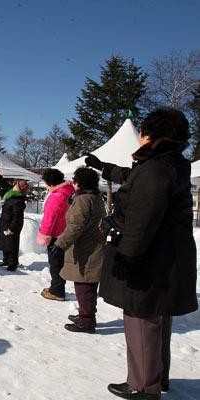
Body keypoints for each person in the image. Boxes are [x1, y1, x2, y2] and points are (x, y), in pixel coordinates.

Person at [85, 108, 198, 399]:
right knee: (158, 316)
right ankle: (156, 378)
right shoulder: (171, 164)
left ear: (153, 135)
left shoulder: (156, 169)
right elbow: (132, 176)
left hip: (150, 258)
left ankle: (143, 386)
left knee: (141, 318)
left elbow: (142, 216)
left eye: (144, 133)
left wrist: (128, 255)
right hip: (168, 258)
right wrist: (104, 168)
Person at [49, 167, 105, 333]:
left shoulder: (83, 200)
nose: (73, 183)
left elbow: (75, 226)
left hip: (86, 249)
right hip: (91, 245)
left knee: (84, 285)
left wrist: (60, 244)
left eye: (75, 180)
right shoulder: (94, 197)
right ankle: (85, 314)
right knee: (85, 284)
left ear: (81, 182)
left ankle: (86, 320)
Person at [37, 168, 75, 301]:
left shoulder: (56, 196)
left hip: (56, 235)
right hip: (67, 234)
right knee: (60, 263)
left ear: (51, 183)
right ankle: (57, 287)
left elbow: (49, 219)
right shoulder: (70, 192)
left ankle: (57, 290)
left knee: (55, 264)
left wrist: (44, 235)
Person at [0, 170, 30, 271]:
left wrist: (11, 228)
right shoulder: (11, 192)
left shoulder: (18, 200)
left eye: (17, 184)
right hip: (5, 222)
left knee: (12, 244)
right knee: (5, 242)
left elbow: (17, 217)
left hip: (12, 225)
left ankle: (13, 263)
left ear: (19, 188)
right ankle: (6, 260)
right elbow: (5, 185)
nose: (15, 184)